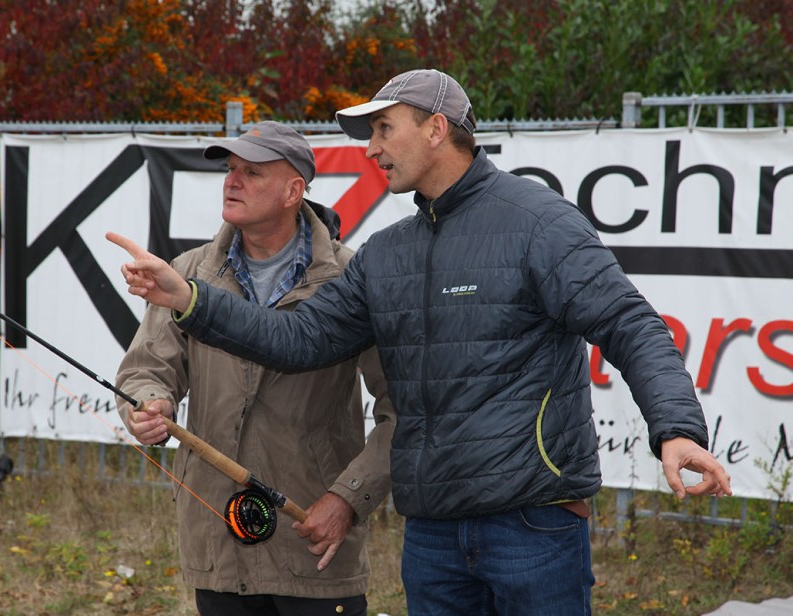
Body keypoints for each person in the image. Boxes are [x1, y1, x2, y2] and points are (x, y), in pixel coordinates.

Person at [108, 70, 732, 615]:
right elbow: (297, 339)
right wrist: (189, 298)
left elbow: (629, 323)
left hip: (532, 525)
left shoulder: (538, 222)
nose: (371, 148)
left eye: (383, 129)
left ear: (436, 128)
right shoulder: (387, 254)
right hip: (432, 538)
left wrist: (676, 429)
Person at [113, 121, 396, 616]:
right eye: (230, 169)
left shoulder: (352, 278)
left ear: (293, 191)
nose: (232, 181)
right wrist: (148, 406)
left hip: (313, 544)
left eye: (252, 172)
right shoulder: (188, 272)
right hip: (218, 542)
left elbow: (402, 408)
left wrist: (349, 499)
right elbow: (146, 370)